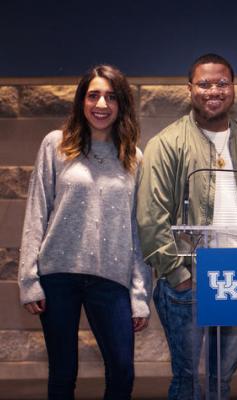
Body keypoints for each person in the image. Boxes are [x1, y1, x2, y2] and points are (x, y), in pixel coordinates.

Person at [136, 53, 237, 400]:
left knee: (220, 382)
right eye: (204, 83)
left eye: (222, 83)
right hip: (190, 281)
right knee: (189, 382)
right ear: (190, 89)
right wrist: (179, 274)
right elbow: (151, 216)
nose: (214, 90)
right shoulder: (166, 144)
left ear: (233, 88)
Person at [18, 64, 152, 400]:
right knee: (63, 373)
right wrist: (29, 280)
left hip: (111, 278)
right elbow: (37, 211)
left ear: (122, 104)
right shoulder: (56, 145)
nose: (101, 105)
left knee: (122, 370)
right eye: (93, 95)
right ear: (82, 101)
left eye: (110, 97)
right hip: (58, 275)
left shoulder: (133, 157)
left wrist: (139, 295)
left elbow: (138, 228)